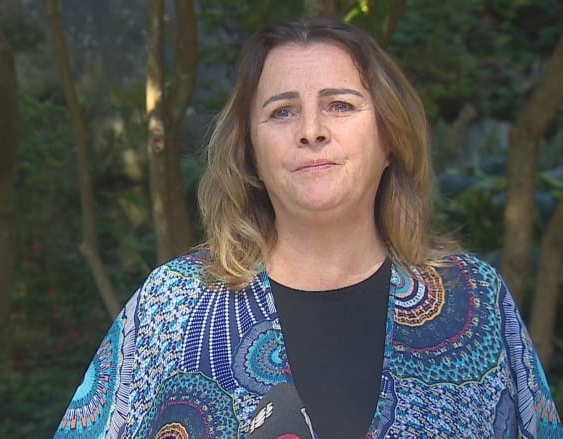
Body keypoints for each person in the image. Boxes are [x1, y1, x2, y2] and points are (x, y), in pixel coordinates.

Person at [54, 16, 563, 438]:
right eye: (282, 112)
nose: (312, 130)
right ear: (249, 152)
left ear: (390, 137)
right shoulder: (172, 306)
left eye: (340, 105)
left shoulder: (473, 303)